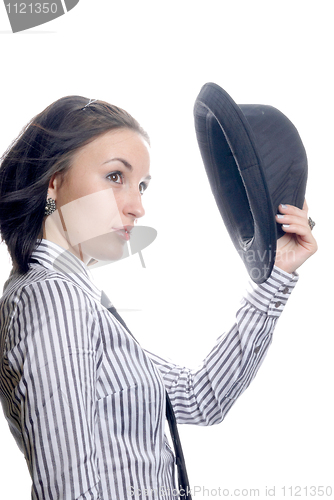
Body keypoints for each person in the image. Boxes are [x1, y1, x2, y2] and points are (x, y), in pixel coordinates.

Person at [0, 96, 317, 500]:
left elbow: (201, 397)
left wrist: (278, 276)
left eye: (142, 186)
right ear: (54, 181)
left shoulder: (77, 300)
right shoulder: (53, 299)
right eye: (115, 176)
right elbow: (69, 491)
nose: (138, 207)